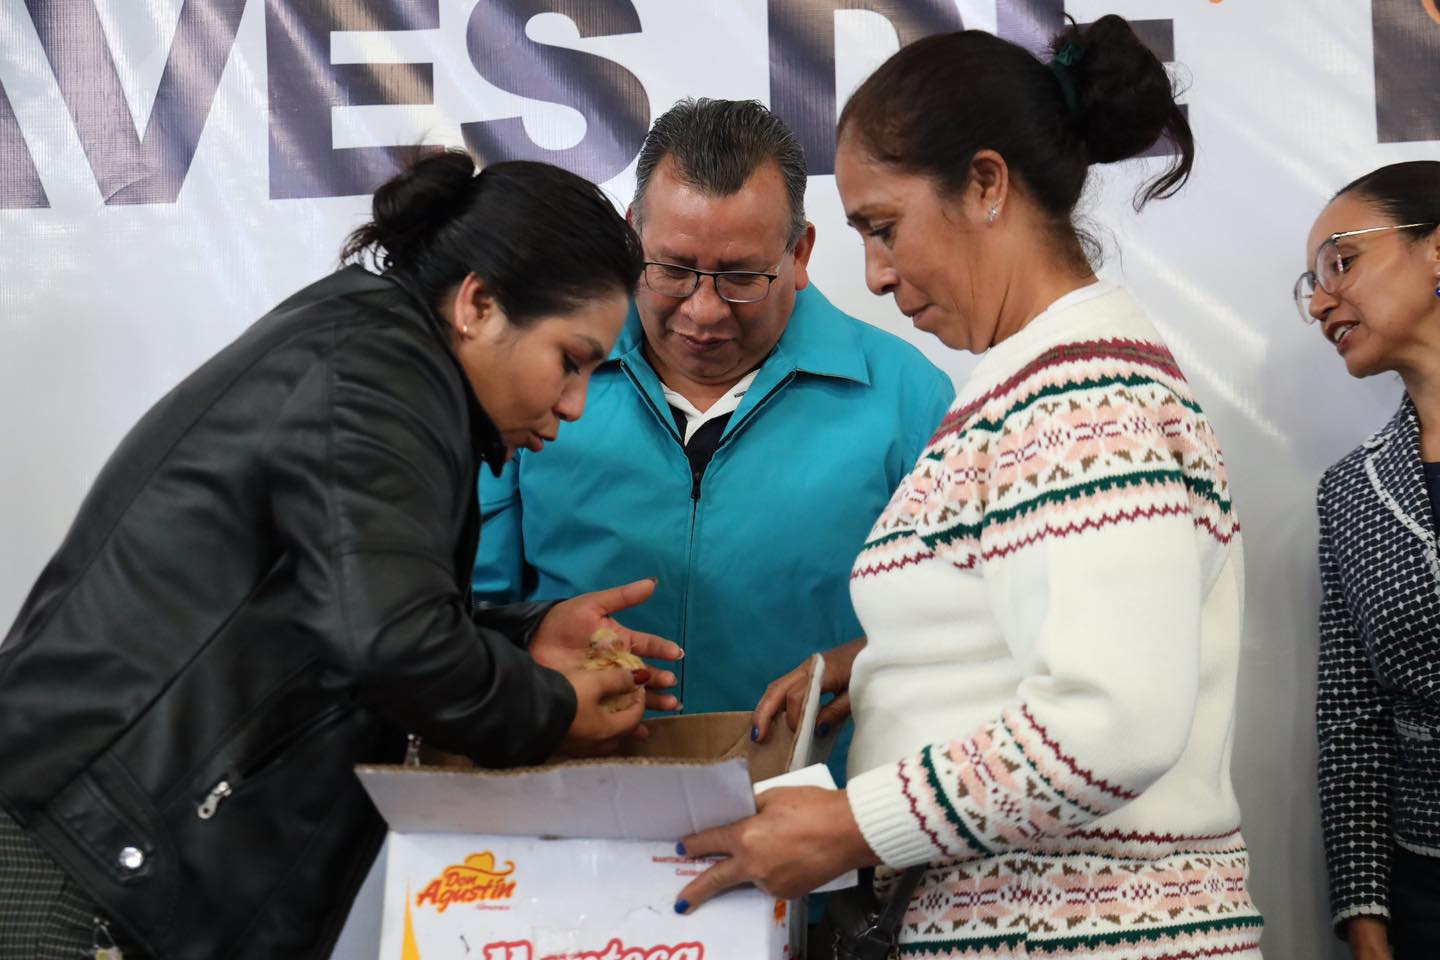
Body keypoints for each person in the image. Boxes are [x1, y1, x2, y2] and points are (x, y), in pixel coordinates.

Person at [0, 152, 682, 960]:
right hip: (88, 871)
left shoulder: (376, 357)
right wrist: (552, 709)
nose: (573, 404)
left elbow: (346, 619)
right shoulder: (373, 375)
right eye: (571, 361)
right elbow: (389, 639)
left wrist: (522, 642)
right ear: (478, 304)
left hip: (118, 862)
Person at [684, 17, 1266, 959]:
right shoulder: (1033, 381)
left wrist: (849, 828)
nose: (873, 275)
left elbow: (1108, 717)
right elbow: (1037, 619)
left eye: (884, 227)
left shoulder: (1087, 398)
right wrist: (880, 665)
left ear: (987, 185)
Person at [470, 99, 954, 753]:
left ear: (801, 252)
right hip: (572, 805)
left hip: (817, 823)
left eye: (741, 277)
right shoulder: (532, 378)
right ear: (630, 233)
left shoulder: (907, 397)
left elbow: (961, 633)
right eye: (672, 269)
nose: (703, 311)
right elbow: (469, 609)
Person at [1302, 161, 1440, 960]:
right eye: (1312, 284)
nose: (1321, 302)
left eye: (1341, 263)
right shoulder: (1351, 493)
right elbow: (1352, 725)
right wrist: (1367, 924)